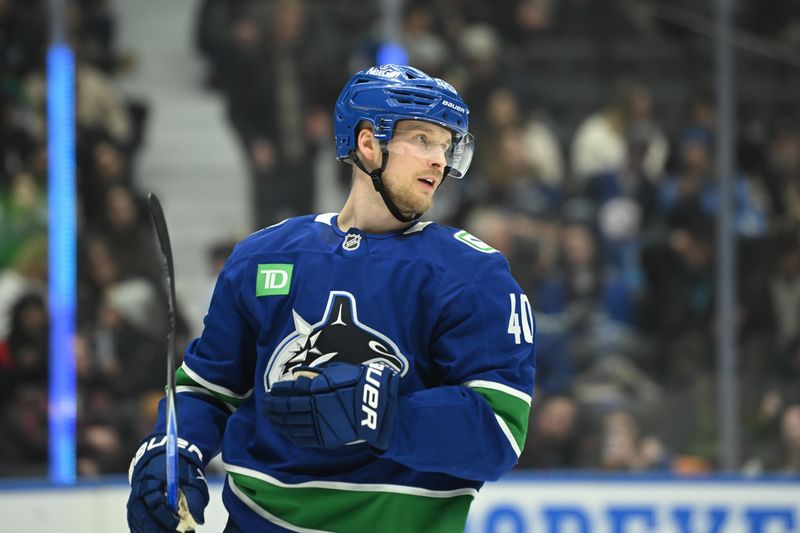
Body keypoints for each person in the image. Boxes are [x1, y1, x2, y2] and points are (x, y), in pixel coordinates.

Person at [127, 64, 537, 533]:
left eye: (445, 146)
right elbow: (208, 390)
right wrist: (170, 450)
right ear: (368, 144)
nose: (438, 161)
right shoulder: (263, 257)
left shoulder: (474, 275)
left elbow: (499, 433)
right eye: (422, 139)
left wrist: (387, 417)